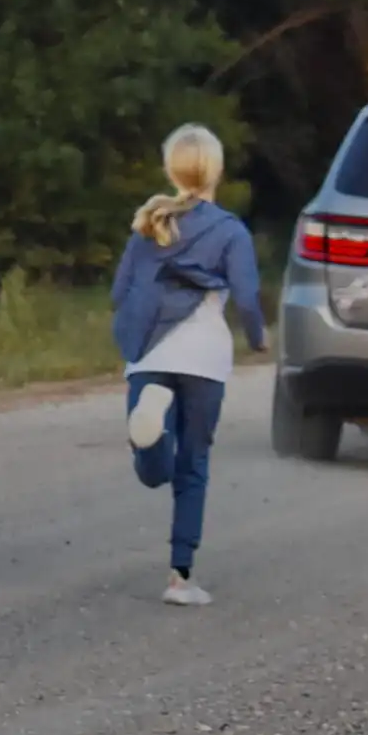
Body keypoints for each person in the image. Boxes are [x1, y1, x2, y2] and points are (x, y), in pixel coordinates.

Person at [110, 124, 266, 607]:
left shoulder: (148, 225)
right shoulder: (230, 230)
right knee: (193, 467)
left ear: (171, 168)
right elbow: (246, 295)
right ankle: (181, 578)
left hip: (151, 355)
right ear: (216, 171)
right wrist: (259, 338)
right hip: (203, 357)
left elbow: (119, 294)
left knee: (154, 468)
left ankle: (151, 435)